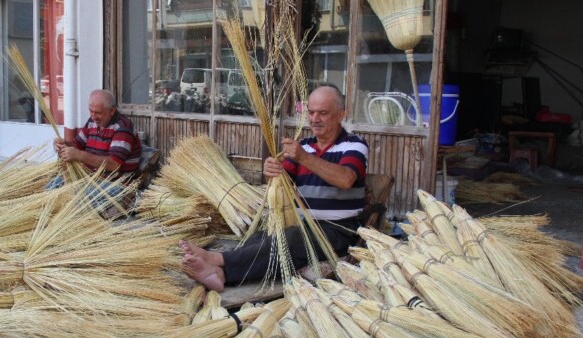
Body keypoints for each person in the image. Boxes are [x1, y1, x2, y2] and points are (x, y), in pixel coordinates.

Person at [181, 84, 368, 291]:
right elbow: (283, 181)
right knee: (260, 237)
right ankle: (222, 273)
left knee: (291, 240)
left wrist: (304, 158)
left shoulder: (354, 145)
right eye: (311, 112)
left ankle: (215, 260)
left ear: (341, 115)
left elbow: (345, 179)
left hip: (338, 230)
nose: (315, 119)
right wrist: (272, 170)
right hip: (303, 224)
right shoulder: (304, 145)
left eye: (323, 113)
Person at [47, 89, 141, 189]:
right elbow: (77, 145)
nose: (93, 116)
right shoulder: (92, 122)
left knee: (77, 197)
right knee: (52, 187)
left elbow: (114, 164)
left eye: (98, 113)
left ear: (112, 111)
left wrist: (80, 155)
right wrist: (64, 145)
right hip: (89, 177)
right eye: (91, 111)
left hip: (115, 183)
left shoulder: (122, 127)